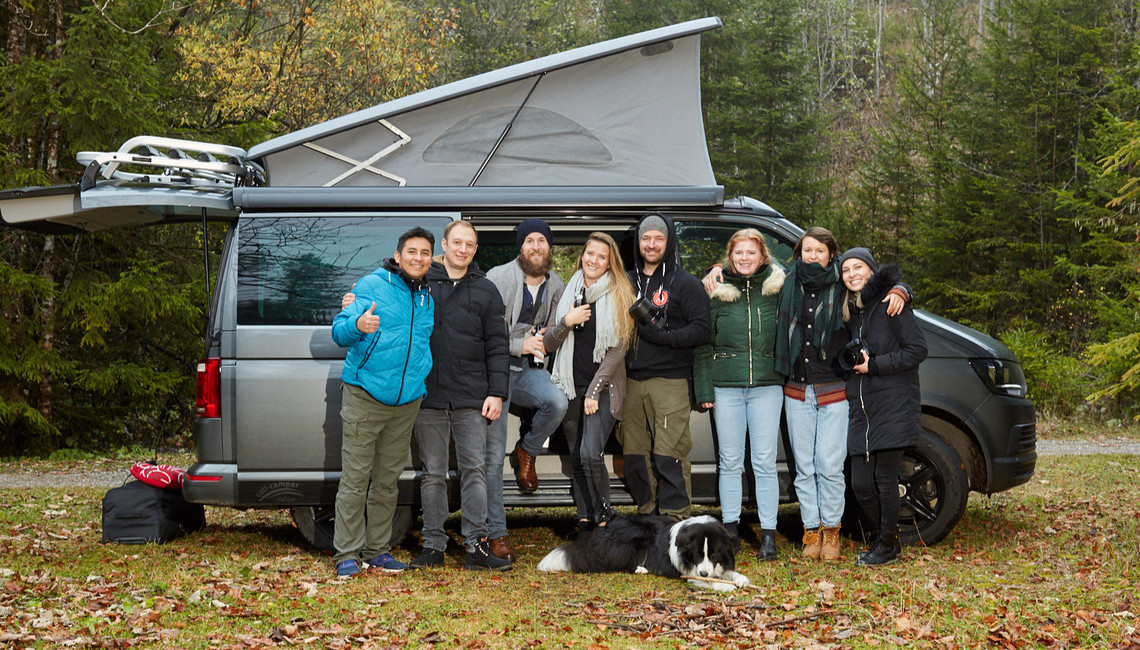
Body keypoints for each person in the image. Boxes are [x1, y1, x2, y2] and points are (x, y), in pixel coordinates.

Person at [702, 226, 908, 562]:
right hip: (796, 388)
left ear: (831, 255)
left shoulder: (839, 283)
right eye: (807, 250)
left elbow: (873, 284)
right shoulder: (787, 282)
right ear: (799, 254)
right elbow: (740, 272)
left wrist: (902, 289)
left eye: (820, 251)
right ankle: (810, 532)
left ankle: (831, 531)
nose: (813, 256)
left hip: (833, 388)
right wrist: (713, 270)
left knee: (828, 465)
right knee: (804, 468)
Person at [358, 221, 511, 571]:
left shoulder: (486, 290)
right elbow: (387, 282)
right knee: (433, 473)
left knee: (475, 470)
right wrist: (353, 298)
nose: (462, 249)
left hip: (473, 397)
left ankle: (476, 544)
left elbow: (498, 346)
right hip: (428, 395)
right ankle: (434, 544)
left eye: (469, 244)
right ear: (445, 244)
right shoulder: (423, 283)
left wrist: (497, 392)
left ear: (475, 249)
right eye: (456, 242)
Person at [329, 227, 435, 578]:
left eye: (424, 253)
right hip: (365, 394)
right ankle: (346, 553)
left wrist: (419, 378)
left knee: (388, 481)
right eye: (412, 251)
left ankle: (378, 551)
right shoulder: (372, 285)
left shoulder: (426, 298)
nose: (418, 258)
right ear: (399, 253)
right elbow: (339, 331)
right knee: (356, 478)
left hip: (406, 402)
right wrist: (358, 324)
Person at [693, 229, 785, 559]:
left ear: (763, 256)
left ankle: (769, 535)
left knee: (763, 462)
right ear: (729, 256)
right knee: (730, 462)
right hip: (726, 386)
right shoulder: (716, 290)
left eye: (751, 252)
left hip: (767, 386)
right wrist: (704, 387)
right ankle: (729, 531)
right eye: (738, 253)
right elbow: (703, 345)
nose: (744, 258)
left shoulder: (778, 289)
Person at [485, 218, 570, 560]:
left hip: (529, 371)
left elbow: (554, 332)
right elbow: (485, 332)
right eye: (530, 241)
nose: (536, 247)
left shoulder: (557, 284)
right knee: (491, 457)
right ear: (520, 247)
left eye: (542, 241)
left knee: (557, 402)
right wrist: (520, 344)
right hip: (494, 372)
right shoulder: (498, 278)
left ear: (550, 248)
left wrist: (548, 339)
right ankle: (496, 534)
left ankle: (527, 450)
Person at [838, 248, 927, 566]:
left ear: (871, 270)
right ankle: (886, 539)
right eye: (846, 269)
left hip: (892, 402)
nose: (851, 274)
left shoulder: (891, 304)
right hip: (862, 406)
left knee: (886, 480)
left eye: (858, 267)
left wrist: (874, 365)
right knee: (861, 484)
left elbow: (917, 349)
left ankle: (886, 547)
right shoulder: (851, 310)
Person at [544, 233, 636, 535]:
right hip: (570, 386)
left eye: (601, 257)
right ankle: (585, 518)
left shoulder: (622, 292)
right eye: (590, 254)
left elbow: (619, 349)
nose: (593, 261)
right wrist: (566, 321)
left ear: (610, 263)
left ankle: (606, 517)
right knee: (576, 457)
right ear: (582, 255)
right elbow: (548, 342)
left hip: (604, 388)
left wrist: (594, 391)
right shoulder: (567, 292)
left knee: (589, 453)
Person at [622, 213, 711, 521]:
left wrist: (668, 338)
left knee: (669, 455)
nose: (652, 244)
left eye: (659, 238)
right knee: (635, 456)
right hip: (631, 381)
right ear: (638, 242)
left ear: (668, 241)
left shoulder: (685, 283)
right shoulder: (625, 279)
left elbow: (703, 330)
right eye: (646, 238)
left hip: (670, 381)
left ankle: (675, 520)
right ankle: (648, 516)